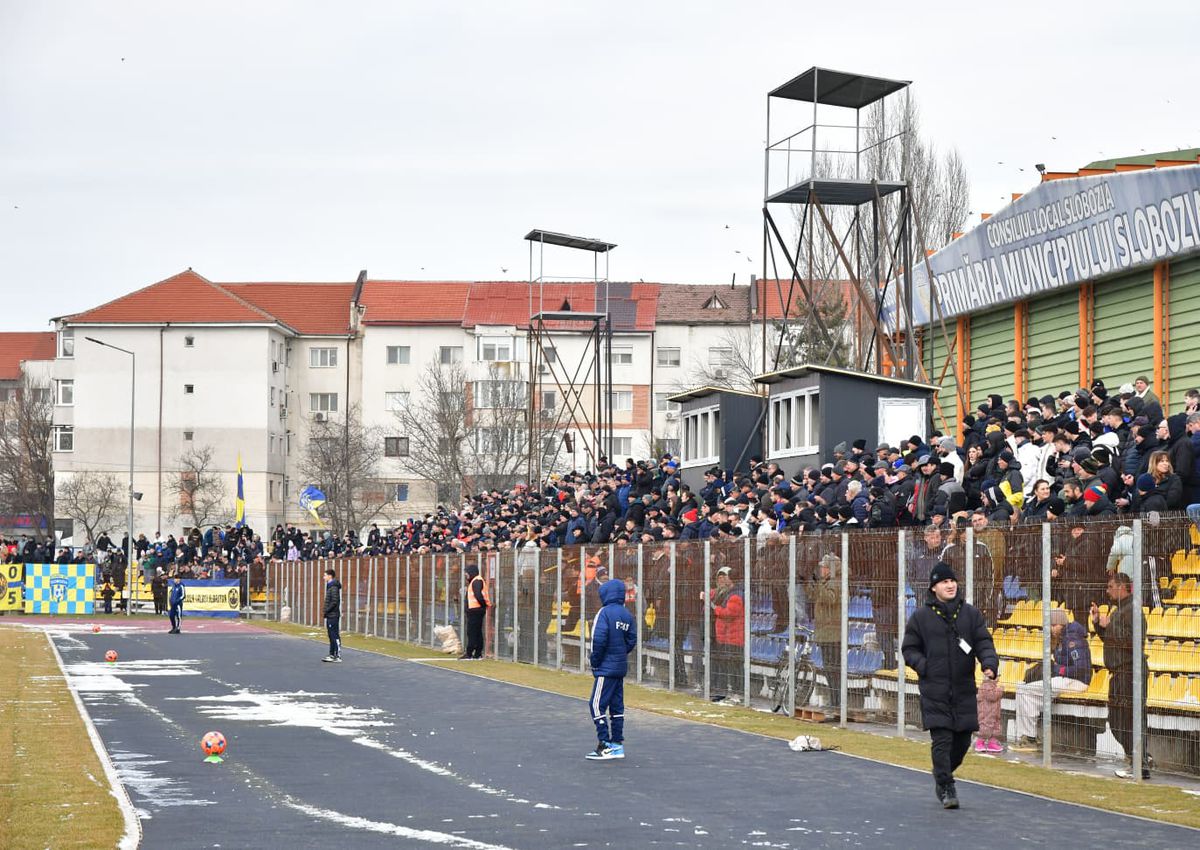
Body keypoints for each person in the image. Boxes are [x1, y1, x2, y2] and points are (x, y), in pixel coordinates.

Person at [902, 561, 999, 810]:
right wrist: (925, 667)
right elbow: (909, 649)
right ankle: (946, 785)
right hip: (934, 689)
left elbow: (983, 642)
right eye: (944, 581)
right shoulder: (920, 617)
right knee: (942, 739)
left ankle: (941, 772)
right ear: (934, 587)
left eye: (952, 581)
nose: (950, 585)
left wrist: (989, 663)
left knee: (962, 742)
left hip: (964, 688)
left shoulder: (970, 614)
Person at [1091, 572, 1151, 779]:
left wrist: (1111, 625)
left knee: (1130, 719)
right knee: (1116, 720)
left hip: (1130, 671)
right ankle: (1136, 758)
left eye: (1110, 587)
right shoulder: (1120, 610)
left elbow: (1134, 641)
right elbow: (1112, 639)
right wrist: (1099, 623)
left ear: (1122, 587)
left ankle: (1139, 763)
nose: (1107, 591)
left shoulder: (1133, 610)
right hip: (1118, 672)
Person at [1010, 608, 1091, 750]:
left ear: (1062, 624)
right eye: (1050, 626)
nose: (1052, 629)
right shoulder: (1059, 639)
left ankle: (1030, 738)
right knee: (1022, 687)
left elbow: (1081, 668)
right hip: (1064, 679)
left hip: (1077, 681)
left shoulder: (1073, 638)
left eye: (1055, 625)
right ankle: (1028, 736)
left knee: (1026, 691)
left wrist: (1058, 669)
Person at [586, 577, 637, 760]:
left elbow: (598, 639)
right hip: (619, 666)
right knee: (616, 706)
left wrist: (595, 661)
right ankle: (617, 745)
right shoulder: (627, 614)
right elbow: (631, 639)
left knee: (596, 704)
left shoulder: (604, 613)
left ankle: (604, 744)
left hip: (606, 667)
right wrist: (621, 654)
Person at [702, 565, 745, 703]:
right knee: (727, 666)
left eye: (725, 577)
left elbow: (728, 614)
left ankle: (738, 693)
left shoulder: (735, 595)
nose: (723, 580)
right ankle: (728, 692)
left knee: (735, 667)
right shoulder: (728, 593)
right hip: (727, 636)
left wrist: (715, 608)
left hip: (733, 636)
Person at [460, 563, 490, 660]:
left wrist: (482, 605)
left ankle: (469, 653)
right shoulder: (476, 580)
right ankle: (477, 653)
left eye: (467, 573)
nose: (466, 575)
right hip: (476, 610)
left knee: (472, 632)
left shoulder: (476, 581)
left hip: (475, 610)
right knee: (477, 632)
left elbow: (478, 595)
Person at [322, 567, 342, 662]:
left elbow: (334, 601)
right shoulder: (330, 586)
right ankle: (331, 654)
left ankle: (337, 655)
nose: (323, 577)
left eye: (325, 575)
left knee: (334, 635)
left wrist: (327, 610)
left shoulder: (333, 587)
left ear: (330, 576)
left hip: (333, 615)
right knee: (330, 635)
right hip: (330, 614)